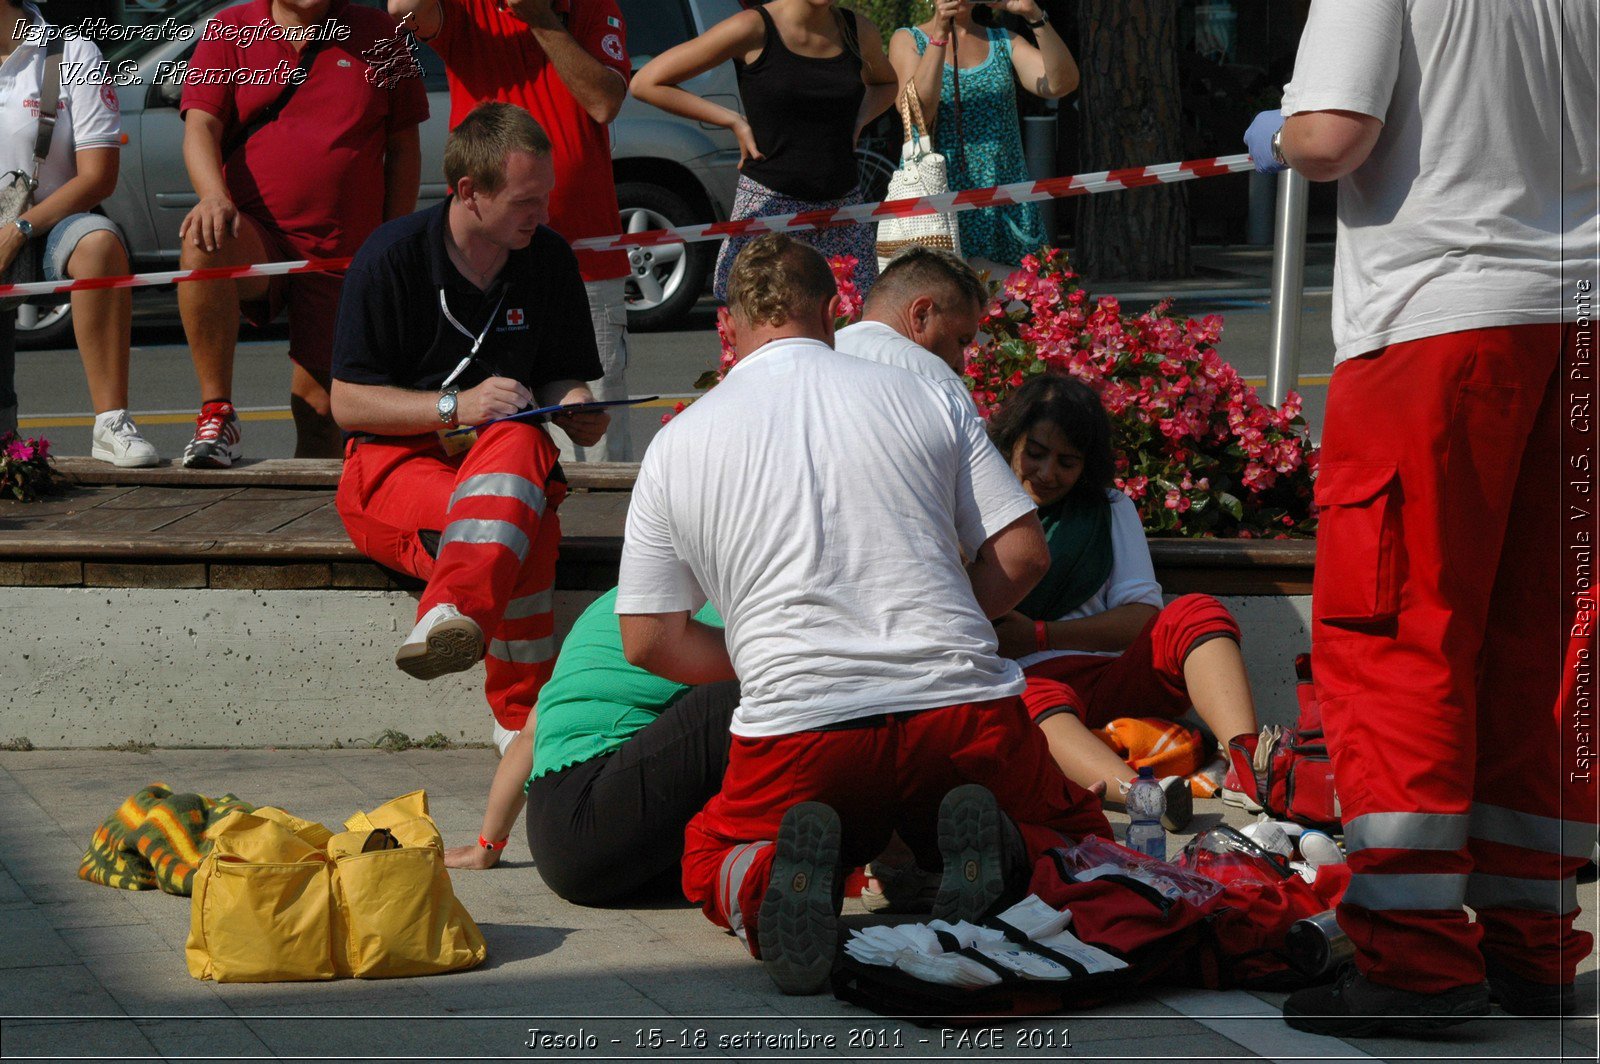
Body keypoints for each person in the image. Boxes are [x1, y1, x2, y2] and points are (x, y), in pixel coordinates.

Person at [616, 233, 1110, 995]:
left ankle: (764, 874)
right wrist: (941, 617)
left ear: (731, 325)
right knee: (1075, 832)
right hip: (961, 714)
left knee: (709, 850)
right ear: (835, 308)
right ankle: (1004, 855)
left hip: (801, 732)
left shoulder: (677, 443)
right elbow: (1024, 557)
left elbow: (648, 639)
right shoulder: (924, 394)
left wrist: (767, 654)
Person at [1242, 0, 1598, 1035]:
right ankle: (1532, 942)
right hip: (1574, 319)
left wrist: (1274, 136)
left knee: (1400, 633)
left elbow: (1331, 135)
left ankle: (1415, 955)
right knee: (1543, 644)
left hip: (1434, 320)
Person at [331, 103, 608, 755]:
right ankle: (521, 718)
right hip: (393, 470)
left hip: (499, 466)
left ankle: (451, 614)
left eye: (544, 197)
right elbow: (346, 403)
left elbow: (561, 378)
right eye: (522, 201)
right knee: (525, 523)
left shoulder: (548, 258)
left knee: (522, 443)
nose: (538, 215)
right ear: (467, 193)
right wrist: (456, 408)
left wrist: (577, 404)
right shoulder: (391, 257)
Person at [986, 375, 1261, 832]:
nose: (1048, 474)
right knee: (1021, 693)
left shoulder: (1109, 507)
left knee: (1196, 611)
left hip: (1109, 678)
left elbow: (1141, 619)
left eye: (1067, 462)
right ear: (1010, 440)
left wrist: (1037, 634)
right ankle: (1145, 799)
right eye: (1035, 453)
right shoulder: (974, 505)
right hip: (1029, 683)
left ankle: (1251, 768)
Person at [177, 0, 428, 467]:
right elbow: (200, 127)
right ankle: (217, 412)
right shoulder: (229, 28)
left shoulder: (381, 32)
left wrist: (392, 240)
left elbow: (403, 145)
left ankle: (323, 525)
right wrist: (213, 195)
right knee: (202, 240)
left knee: (321, 413)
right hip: (255, 234)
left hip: (342, 253)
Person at [386, 0, 636, 462]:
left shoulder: (591, 7)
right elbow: (403, 8)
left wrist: (539, 16)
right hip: (481, 264)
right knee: (484, 439)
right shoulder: (467, 9)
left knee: (593, 447)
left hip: (584, 263)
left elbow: (604, 101)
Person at [445, 587, 740, 901]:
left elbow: (529, 737)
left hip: (554, 845)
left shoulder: (606, 608)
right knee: (765, 678)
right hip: (599, 828)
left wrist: (486, 848)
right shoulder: (716, 603)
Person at [631, 0, 898, 301]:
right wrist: (732, 120)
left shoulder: (858, 30)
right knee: (766, 335)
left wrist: (859, 119)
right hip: (769, 213)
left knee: (851, 338)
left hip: (843, 214)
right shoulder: (752, 26)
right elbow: (647, 82)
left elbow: (886, 83)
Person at [0, 0, 155, 465]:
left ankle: (112, 423)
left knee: (99, 242)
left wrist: (18, 229)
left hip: (45, 225)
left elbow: (98, 178)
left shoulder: (74, 52)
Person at [889, 0, 1077, 274]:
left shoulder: (1003, 40)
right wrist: (940, 35)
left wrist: (1034, 15)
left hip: (1005, 200)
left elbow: (1062, 83)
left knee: (1020, 308)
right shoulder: (907, 39)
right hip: (939, 200)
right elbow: (920, 111)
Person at [833, 245, 984, 416]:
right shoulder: (937, 381)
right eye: (961, 341)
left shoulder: (819, 356)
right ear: (921, 315)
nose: (960, 366)